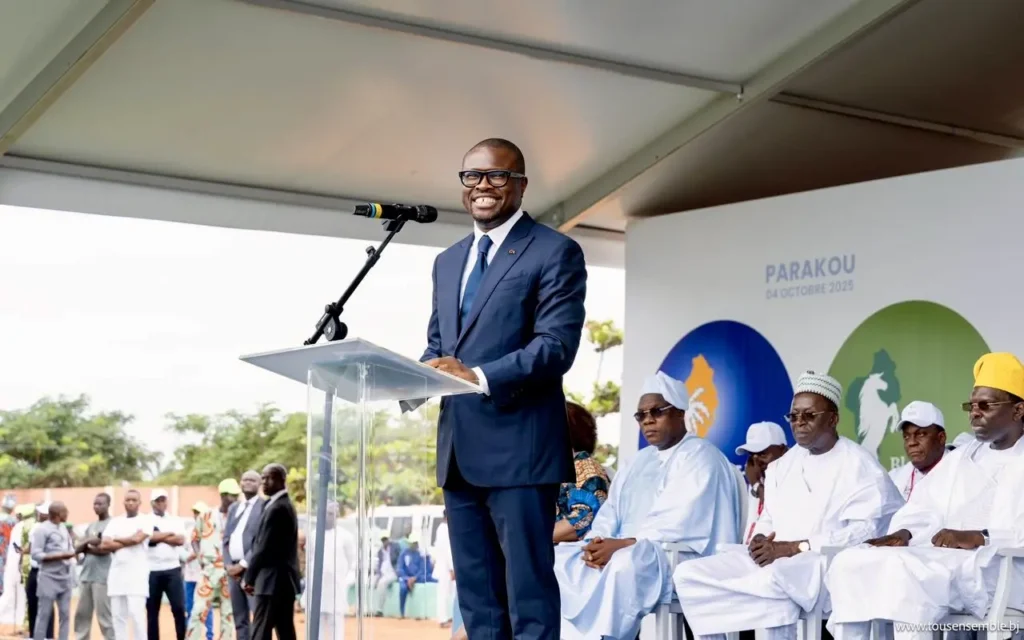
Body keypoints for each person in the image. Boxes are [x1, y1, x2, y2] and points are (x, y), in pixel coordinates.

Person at [421, 137, 587, 640]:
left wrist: (479, 376)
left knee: (527, 596)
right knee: (477, 598)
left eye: (497, 175)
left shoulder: (555, 250)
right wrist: (418, 375)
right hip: (459, 453)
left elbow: (556, 345)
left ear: (521, 184)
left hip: (521, 452)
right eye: (472, 176)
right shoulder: (448, 261)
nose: (483, 186)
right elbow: (438, 342)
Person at [674, 371, 904, 640]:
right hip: (773, 556)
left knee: (774, 580)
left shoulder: (860, 465)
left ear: (833, 419)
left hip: (825, 564)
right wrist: (761, 537)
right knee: (689, 574)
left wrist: (795, 547)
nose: (799, 423)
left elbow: (864, 532)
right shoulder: (782, 466)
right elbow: (769, 517)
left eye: (809, 415)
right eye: (793, 416)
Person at [825, 352, 1024, 637]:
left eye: (985, 405)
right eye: (971, 405)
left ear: (1018, 411)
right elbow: (924, 507)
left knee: (907, 573)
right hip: (952, 566)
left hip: (1004, 569)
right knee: (851, 561)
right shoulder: (962, 458)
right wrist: (904, 533)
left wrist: (980, 536)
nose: (974, 413)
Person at [554, 371, 741, 640]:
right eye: (641, 415)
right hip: (623, 548)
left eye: (657, 411)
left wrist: (621, 545)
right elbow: (611, 512)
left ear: (679, 413)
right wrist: (597, 542)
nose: (648, 420)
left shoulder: (701, 457)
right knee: (560, 561)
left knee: (624, 564)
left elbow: (677, 523)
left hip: (674, 554)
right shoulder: (637, 461)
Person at [242, 464, 299, 640]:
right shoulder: (276, 504)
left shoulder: (278, 508)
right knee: (285, 630)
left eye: (268, 478)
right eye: (263, 478)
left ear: (281, 480)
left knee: (260, 631)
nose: (264, 482)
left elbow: (263, 548)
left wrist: (249, 577)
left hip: (271, 582)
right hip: (280, 582)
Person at [100, 489, 153, 640]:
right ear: (123, 502)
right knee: (118, 617)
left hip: (137, 576)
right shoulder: (115, 521)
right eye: (127, 500)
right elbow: (104, 544)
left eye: (134, 500)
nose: (130, 503)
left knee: (137, 616)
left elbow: (138, 540)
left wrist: (116, 539)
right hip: (117, 575)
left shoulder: (146, 520)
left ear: (139, 503)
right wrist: (129, 539)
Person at [554, 402, 611, 543]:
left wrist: (528, 539)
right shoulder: (556, 467)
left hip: (569, 558)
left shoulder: (585, 466)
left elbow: (584, 518)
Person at [185, 497, 234, 640]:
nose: (197, 514)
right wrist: (201, 558)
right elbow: (194, 539)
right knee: (198, 610)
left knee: (227, 613)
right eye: (195, 512)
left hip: (229, 570)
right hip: (209, 570)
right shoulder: (203, 520)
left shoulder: (234, 517)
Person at [305, 502, 355, 640]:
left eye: (332, 514)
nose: (328, 517)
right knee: (317, 621)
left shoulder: (346, 536)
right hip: (317, 586)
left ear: (337, 515)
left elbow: (352, 562)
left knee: (336, 621)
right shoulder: (314, 535)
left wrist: (346, 580)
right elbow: (310, 560)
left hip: (336, 585)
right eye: (325, 513)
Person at [223, 473, 263, 640]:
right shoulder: (234, 508)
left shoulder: (264, 506)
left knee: (258, 616)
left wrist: (244, 564)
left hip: (251, 570)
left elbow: (261, 540)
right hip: (232, 570)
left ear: (259, 484)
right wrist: (228, 565)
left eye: (252, 480)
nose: (247, 482)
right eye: (245, 479)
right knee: (239, 618)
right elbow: (226, 538)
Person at [735, 422, 788, 544]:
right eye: (751, 455)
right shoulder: (759, 477)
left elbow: (775, 512)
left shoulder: (794, 473)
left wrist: (756, 486)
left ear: (783, 450)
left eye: (762, 453)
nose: (756, 460)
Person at [146, 490, 187, 640]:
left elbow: (180, 540)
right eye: (158, 500)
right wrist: (169, 534)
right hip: (151, 571)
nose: (161, 503)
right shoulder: (145, 520)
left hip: (172, 570)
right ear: (152, 503)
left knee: (179, 608)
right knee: (152, 611)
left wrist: (158, 536)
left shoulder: (175, 520)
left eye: (163, 500)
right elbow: (148, 537)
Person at [74, 493, 115, 640]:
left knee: (104, 616)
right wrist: (89, 542)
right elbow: (78, 547)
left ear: (108, 505)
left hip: (102, 577)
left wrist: (88, 545)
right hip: (86, 575)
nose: (96, 507)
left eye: (100, 504)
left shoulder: (112, 524)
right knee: (82, 614)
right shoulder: (91, 526)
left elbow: (105, 549)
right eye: (95, 504)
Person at [887, 401, 948, 500]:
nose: (911, 442)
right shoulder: (894, 479)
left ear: (941, 438)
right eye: (906, 436)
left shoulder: (962, 473)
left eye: (921, 434)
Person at [32, 502, 75, 640]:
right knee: (44, 615)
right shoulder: (41, 530)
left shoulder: (63, 528)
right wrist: (59, 556)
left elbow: (70, 549)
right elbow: (35, 554)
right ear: (58, 514)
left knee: (65, 614)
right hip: (48, 578)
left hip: (65, 577)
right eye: (65, 512)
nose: (67, 514)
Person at [396, 534, 435, 618]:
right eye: (412, 543)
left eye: (415, 543)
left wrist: (415, 578)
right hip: (406, 578)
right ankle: (402, 613)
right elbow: (400, 568)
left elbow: (423, 569)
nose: (414, 545)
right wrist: (407, 579)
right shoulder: (404, 553)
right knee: (402, 588)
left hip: (417, 577)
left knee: (429, 579)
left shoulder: (421, 554)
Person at [431, 512, 454, 627]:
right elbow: (448, 550)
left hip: (444, 566)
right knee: (444, 593)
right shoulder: (444, 529)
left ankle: (447, 617)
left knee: (448, 593)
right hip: (445, 567)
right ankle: (443, 619)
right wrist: (451, 568)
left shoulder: (441, 528)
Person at [371, 537, 397, 616]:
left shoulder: (395, 548)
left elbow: (398, 559)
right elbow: (379, 565)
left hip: (393, 572)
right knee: (372, 583)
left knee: (382, 583)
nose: (385, 542)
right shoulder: (380, 551)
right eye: (383, 540)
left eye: (386, 540)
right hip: (382, 573)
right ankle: (371, 610)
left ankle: (380, 610)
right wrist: (378, 575)